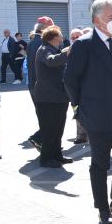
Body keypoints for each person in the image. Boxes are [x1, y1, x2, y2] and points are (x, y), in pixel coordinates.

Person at [63, 0, 112, 224]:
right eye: (111, 17)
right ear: (97, 20)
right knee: (100, 163)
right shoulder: (84, 45)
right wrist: (79, 108)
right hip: (97, 115)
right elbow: (70, 80)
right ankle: (103, 209)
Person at [33, 26, 73, 168]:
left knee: (58, 129)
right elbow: (51, 61)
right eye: (61, 35)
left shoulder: (55, 49)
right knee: (49, 130)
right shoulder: (44, 50)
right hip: (47, 98)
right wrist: (66, 53)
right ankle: (46, 159)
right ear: (54, 38)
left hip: (59, 97)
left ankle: (57, 155)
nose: (63, 38)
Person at [27, 16, 54, 150]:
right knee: (49, 117)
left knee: (43, 115)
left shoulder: (32, 41)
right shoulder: (41, 43)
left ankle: (43, 141)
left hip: (33, 84)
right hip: (41, 86)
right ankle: (39, 138)